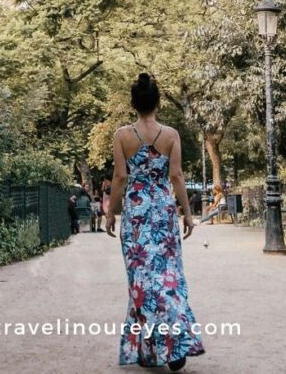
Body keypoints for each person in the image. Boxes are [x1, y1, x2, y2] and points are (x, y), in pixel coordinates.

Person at [106, 72, 205, 371]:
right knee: (169, 277)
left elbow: (120, 177)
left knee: (141, 282)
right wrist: (186, 213)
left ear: (133, 103)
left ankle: (152, 349)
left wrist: (111, 212)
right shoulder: (171, 135)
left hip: (137, 215)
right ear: (158, 102)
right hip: (163, 211)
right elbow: (176, 175)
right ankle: (175, 343)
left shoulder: (121, 136)